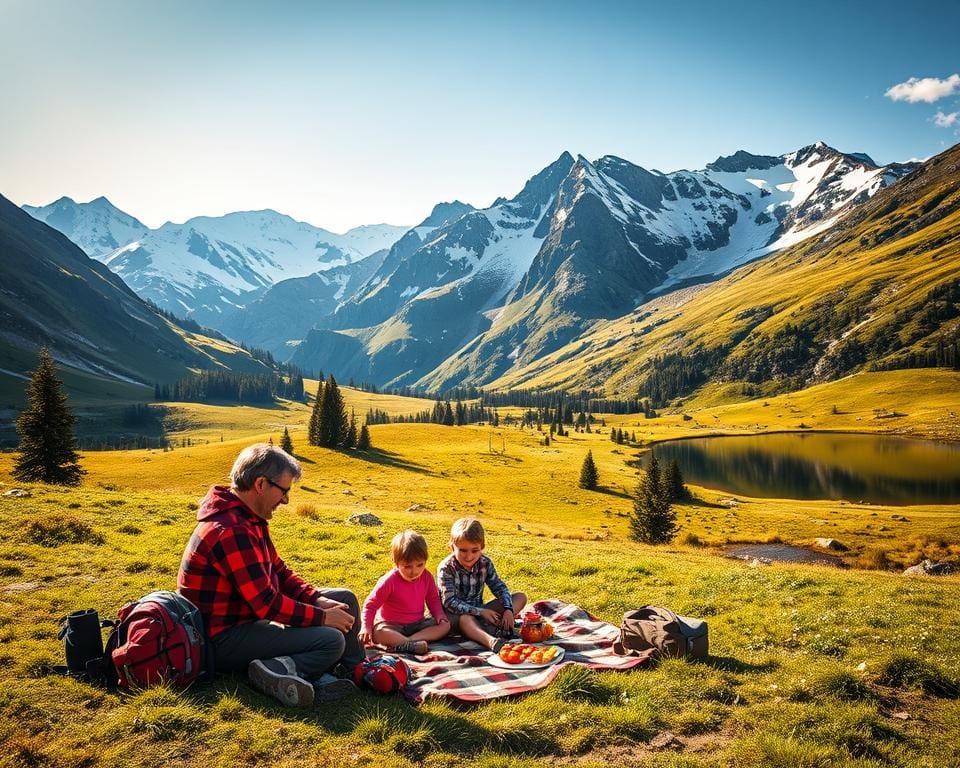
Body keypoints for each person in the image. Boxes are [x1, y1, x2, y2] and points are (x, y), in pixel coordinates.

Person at [177, 443, 362, 707]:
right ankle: (273, 670)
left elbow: (279, 571)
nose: (286, 500)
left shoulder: (249, 519)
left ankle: (356, 670)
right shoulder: (230, 530)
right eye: (284, 491)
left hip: (247, 621)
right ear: (261, 484)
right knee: (330, 640)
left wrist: (317, 600)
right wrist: (322, 616)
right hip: (222, 638)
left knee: (345, 599)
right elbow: (266, 604)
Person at [437, 517, 527, 652]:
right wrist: (481, 612)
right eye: (463, 550)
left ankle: (502, 624)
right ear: (452, 547)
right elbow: (449, 602)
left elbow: (499, 586)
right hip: (454, 618)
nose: (469, 556)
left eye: (474, 551)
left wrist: (509, 609)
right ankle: (491, 641)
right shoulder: (446, 568)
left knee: (520, 597)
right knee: (466, 619)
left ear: (482, 548)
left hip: (480, 612)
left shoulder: (485, 563)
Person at [360, 529, 450, 655]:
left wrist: (439, 615)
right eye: (407, 566)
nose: (414, 571)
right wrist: (366, 627)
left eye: (420, 565)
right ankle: (408, 644)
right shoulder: (389, 581)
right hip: (392, 626)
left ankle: (408, 643)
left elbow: (433, 599)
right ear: (396, 562)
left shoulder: (426, 576)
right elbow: (371, 605)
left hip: (418, 625)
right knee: (379, 633)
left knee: (445, 626)